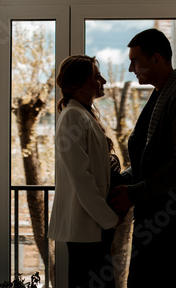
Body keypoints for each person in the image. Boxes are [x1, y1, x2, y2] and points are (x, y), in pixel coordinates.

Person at [108, 29, 176, 288]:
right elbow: (149, 158)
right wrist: (120, 181)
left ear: (157, 59)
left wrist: (133, 193)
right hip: (155, 218)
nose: (131, 68)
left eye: (135, 60)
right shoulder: (161, 94)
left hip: (172, 223)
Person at [48, 55, 122, 288]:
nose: (104, 81)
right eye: (96, 76)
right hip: (88, 227)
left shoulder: (82, 114)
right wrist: (109, 219)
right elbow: (81, 178)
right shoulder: (72, 116)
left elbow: (89, 167)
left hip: (92, 227)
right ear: (78, 84)